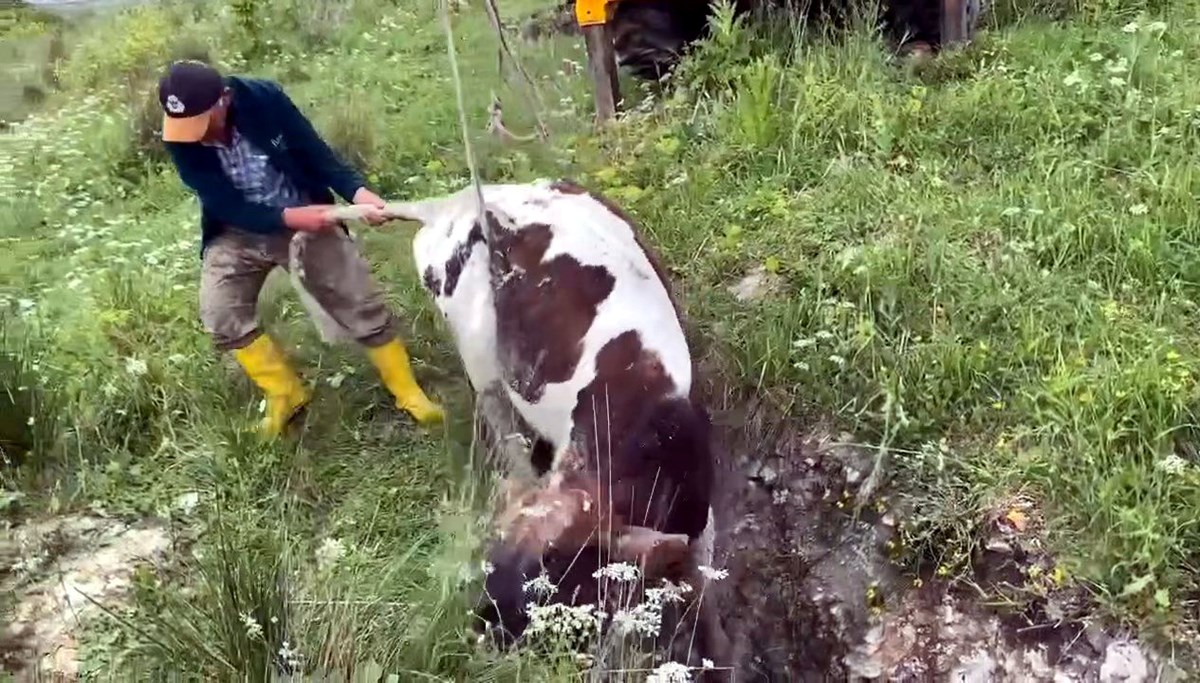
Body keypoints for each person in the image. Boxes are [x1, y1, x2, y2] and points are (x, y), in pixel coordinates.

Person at [157, 59, 444, 437]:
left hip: (307, 213)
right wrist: (292, 218)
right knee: (220, 312)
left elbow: (316, 154)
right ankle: (285, 392)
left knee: (358, 300)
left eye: (199, 121)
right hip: (237, 229)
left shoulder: (264, 100)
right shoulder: (181, 138)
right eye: (183, 126)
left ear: (224, 99)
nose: (191, 135)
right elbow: (224, 203)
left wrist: (358, 192)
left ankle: (407, 391)